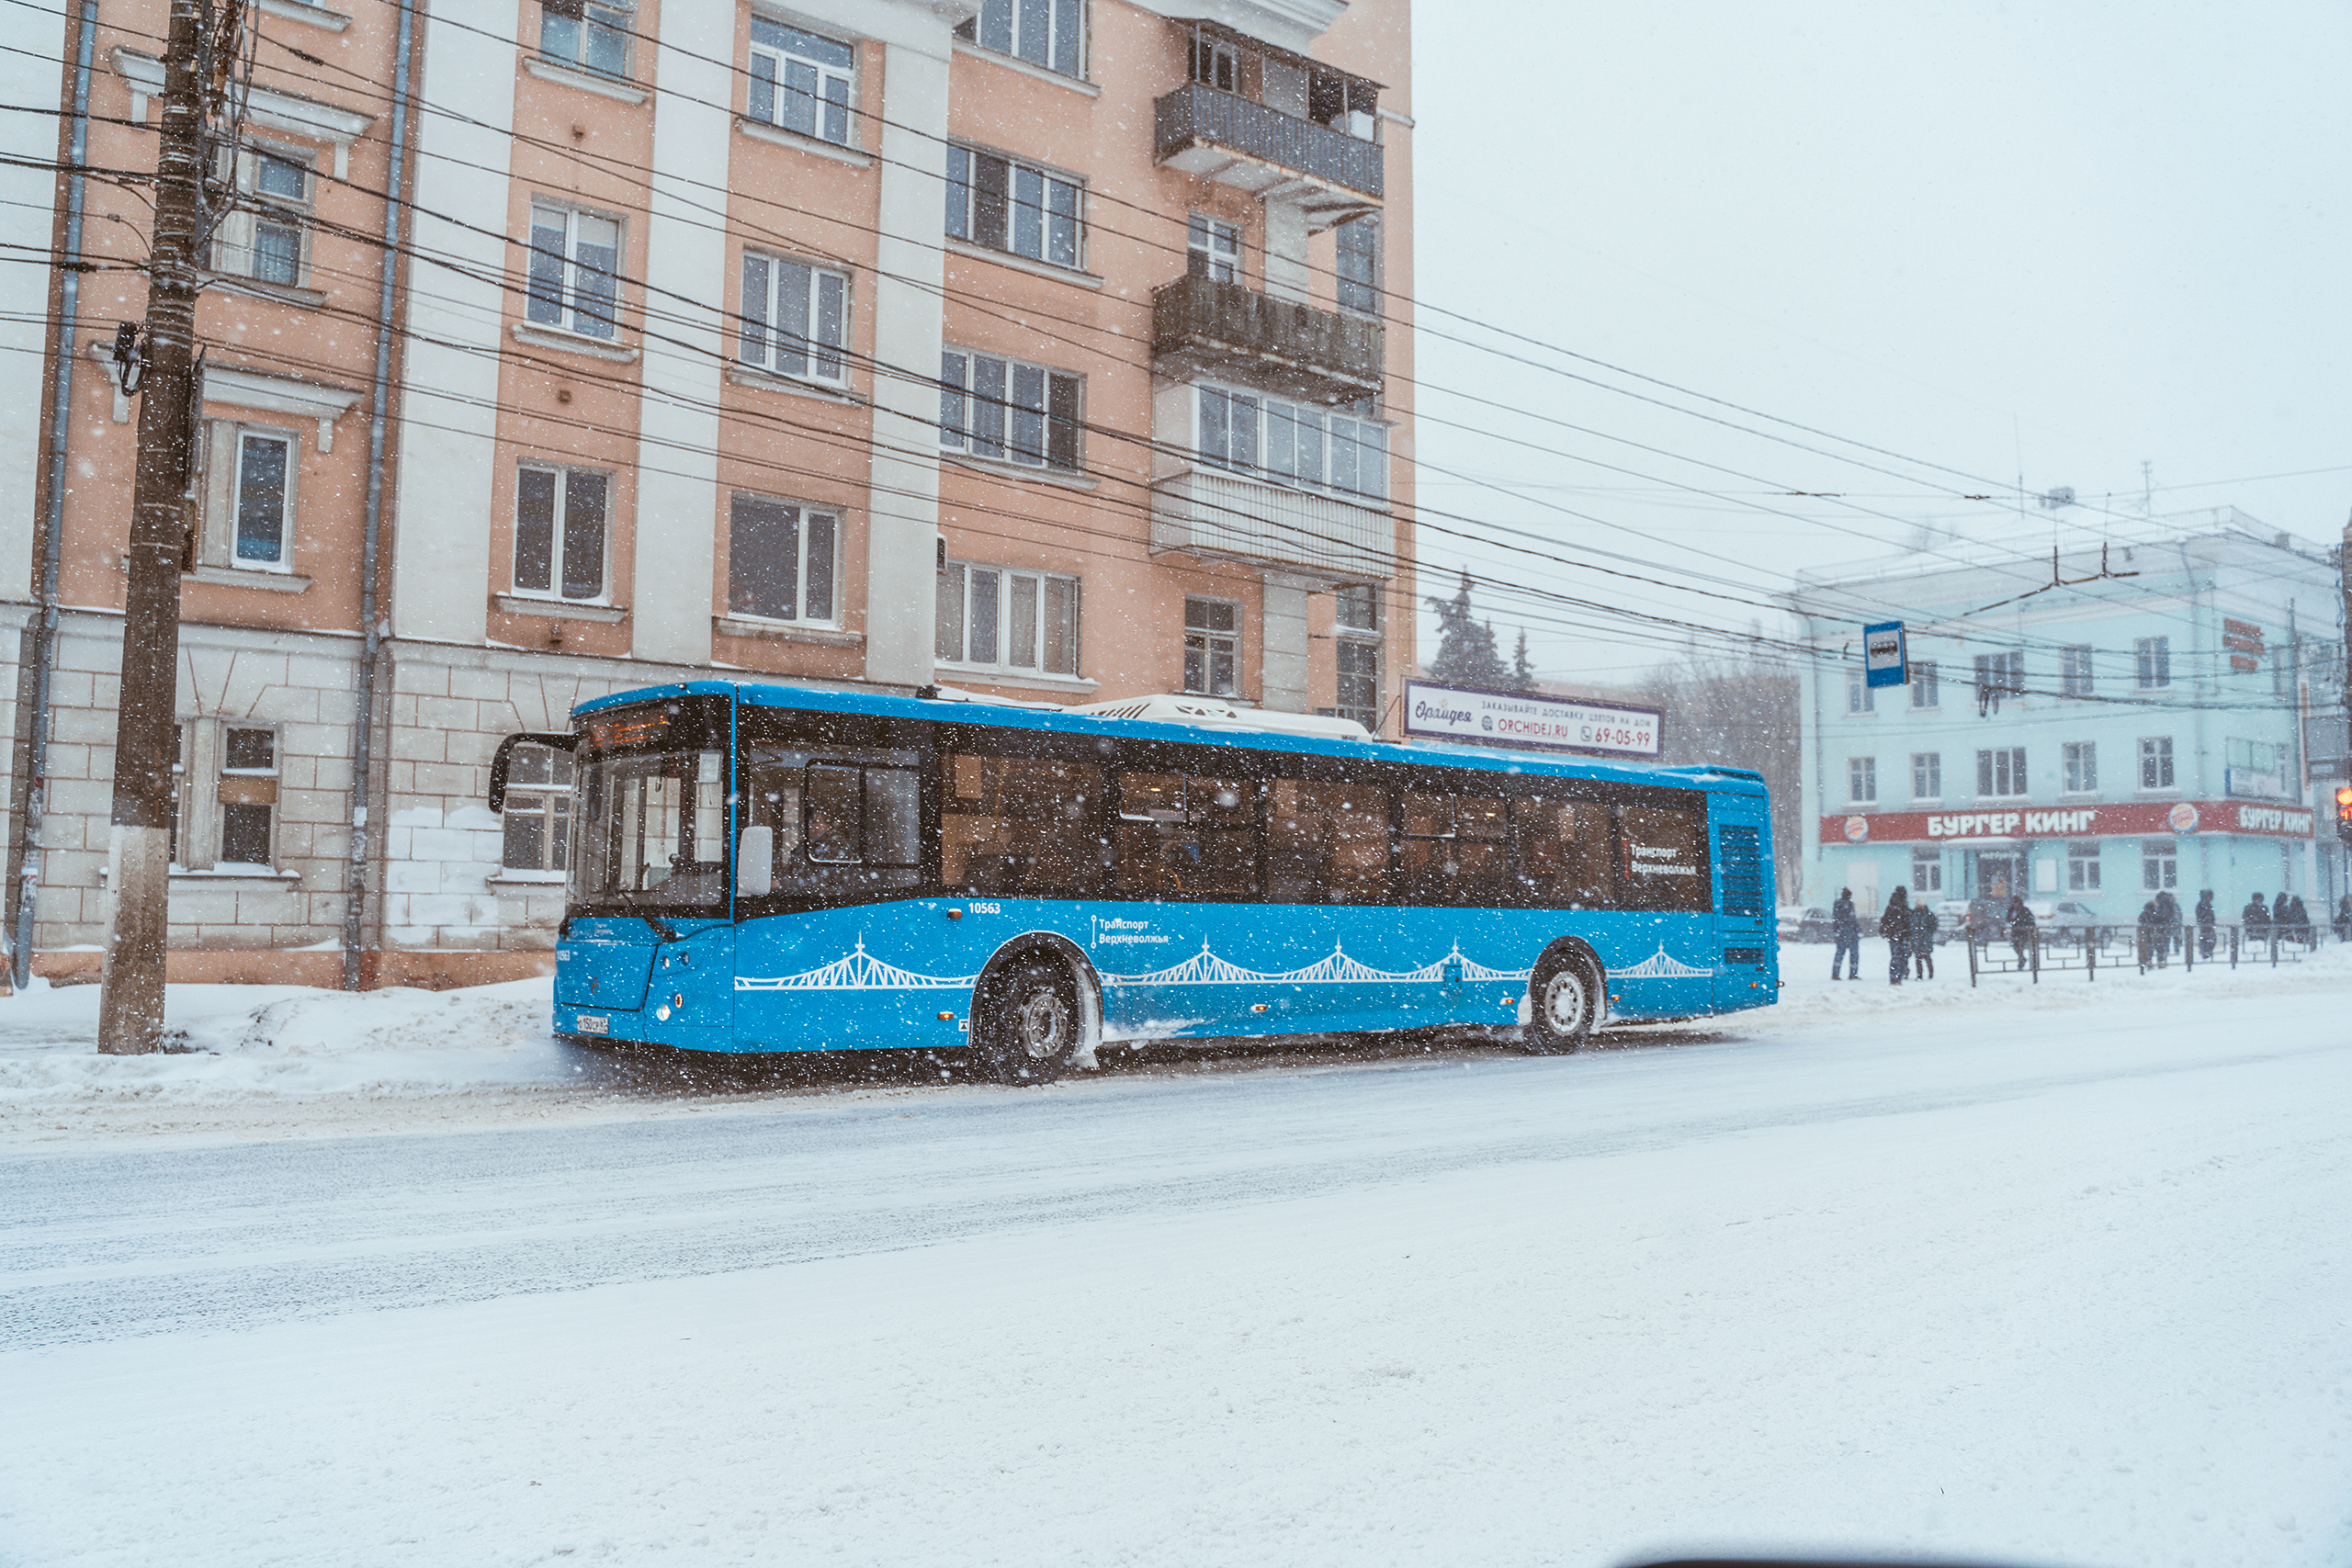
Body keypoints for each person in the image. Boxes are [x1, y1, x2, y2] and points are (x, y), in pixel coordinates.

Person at [1880, 885, 1911, 985]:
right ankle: (1898, 978)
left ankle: (1894, 978)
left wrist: (1887, 931)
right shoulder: (1903, 906)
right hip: (1902, 935)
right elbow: (1907, 921)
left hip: (1894, 936)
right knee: (1902, 958)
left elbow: (1885, 920)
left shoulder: (1892, 906)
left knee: (1896, 957)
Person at [1830, 887, 1861, 980]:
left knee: (1840, 954)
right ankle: (1853, 974)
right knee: (1853, 954)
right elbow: (1852, 919)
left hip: (1843, 933)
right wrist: (1857, 930)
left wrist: (1837, 930)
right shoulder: (1849, 904)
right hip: (1850, 933)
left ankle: (1836, 974)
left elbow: (1836, 919)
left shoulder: (1838, 903)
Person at [1909, 897, 1938, 979]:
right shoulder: (1915, 914)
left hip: (1924, 939)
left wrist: (1927, 933)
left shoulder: (1927, 914)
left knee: (1926, 958)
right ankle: (1920, 975)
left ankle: (1929, 974)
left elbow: (1934, 925)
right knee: (1919, 959)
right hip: (1918, 939)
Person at [2005, 894, 2036, 967]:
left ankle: (2021, 960)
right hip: (2015, 931)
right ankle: (2021, 958)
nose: (2015, 904)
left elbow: (2031, 919)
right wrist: (2012, 918)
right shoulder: (2011, 910)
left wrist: (2028, 927)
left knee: (2021, 946)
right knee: (2015, 946)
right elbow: (2008, 919)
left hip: (2023, 931)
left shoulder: (2024, 910)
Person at [2154, 887, 2182, 966]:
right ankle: (2162, 960)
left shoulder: (2157, 906)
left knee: (2159, 945)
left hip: (2158, 928)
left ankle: (2160, 960)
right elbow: (2172, 916)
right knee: (2164, 944)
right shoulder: (2170, 906)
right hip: (2166, 928)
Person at [2194, 890, 2217, 960]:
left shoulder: (2204, 904)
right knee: (2207, 939)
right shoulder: (2204, 905)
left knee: (2208, 939)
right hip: (2206, 925)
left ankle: (2206, 953)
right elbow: (2204, 915)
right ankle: (2206, 953)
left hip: (2206, 925)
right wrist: (2208, 921)